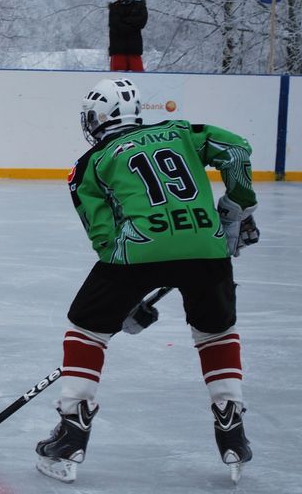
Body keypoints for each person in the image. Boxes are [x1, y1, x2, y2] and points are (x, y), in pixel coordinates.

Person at [35, 78, 259, 484]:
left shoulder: (90, 163)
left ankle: (71, 433)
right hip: (207, 249)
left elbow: (104, 239)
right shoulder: (182, 131)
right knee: (215, 333)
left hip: (137, 251)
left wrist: (121, 299)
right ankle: (231, 425)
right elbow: (237, 149)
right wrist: (236, 207)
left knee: (86, 330)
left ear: (98, 119)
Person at [108, 0, 147, 72]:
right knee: (117, 78)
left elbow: (141, 22)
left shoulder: (139, 6)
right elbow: (115, 25)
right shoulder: (114, 8)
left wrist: (123, 21)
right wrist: (132, 24)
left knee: (139, 78)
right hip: (118, 51)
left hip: (134, 50)